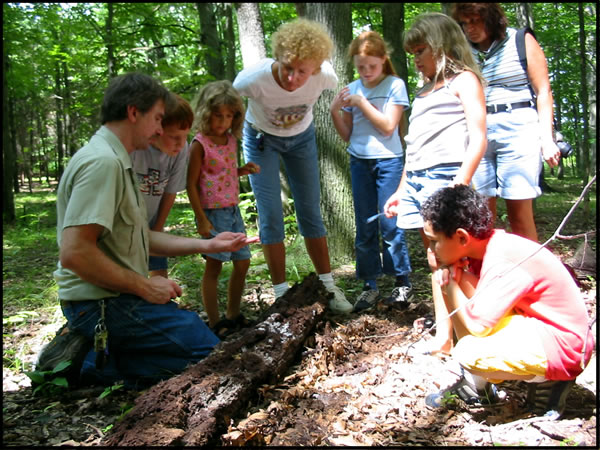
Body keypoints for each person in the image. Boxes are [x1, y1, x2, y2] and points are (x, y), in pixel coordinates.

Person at [36, 73, 258, 389]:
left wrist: (206, 245)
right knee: (211, 355)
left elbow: (142, 236)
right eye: (156, 118)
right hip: (100, 303)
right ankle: (84, 365)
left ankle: (93, 357)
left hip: (116, 297)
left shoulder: (116, 160)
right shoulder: (103, 164)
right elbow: (75, 253)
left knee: (200, 341)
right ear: (133, 113)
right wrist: (144, 286)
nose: (158, 128)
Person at [419, 184, 594, 420]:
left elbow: (478, 326)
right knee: (446, 278)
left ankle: (550, 380)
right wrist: (450, 280)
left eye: (434, 241)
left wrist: (450, 285)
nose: (430, 250)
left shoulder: (503, 258)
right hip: (537, 328)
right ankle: (476, 385)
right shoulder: (487, 248)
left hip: (565, 346)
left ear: (461, 237)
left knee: (469, 352)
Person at [233, 18, 353, 314]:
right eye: (288, 68)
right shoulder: (252, 80)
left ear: (316, 67)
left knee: (310, 209)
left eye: (303, 71)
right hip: (262, 141)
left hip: (301, 139)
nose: (293, 78)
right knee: (271, 212)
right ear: (278, 58)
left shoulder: (325, 76)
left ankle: (327, 285)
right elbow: (231, 107)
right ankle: (281, 294)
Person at [382, 12, 487, 349]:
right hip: (416, 181)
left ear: (441, 47)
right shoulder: (424, 91)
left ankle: (470, 333)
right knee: (432, 259)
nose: (415, 61)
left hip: (446, 176)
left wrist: (462, 179)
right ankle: (445, 335)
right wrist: (401, 189)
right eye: (412, 53)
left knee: (453, 258)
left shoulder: (464, 81)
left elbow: (479, 136)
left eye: (420, 51)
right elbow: (412, 147)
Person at [451, 3, 562, 242]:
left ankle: (531, 275)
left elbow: (543, 91)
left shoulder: (520, 40)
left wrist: (547, 139)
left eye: (476, 20)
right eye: (465, 23)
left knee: (519, 213)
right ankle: (488, 274)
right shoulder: (461, 51)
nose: (470, 28)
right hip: (476, 132)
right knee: (480, 214)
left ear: (490, 18)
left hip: (519, 128)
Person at [330, 31, 413, 312]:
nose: (366, 72)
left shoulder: (395, 85)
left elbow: (389, 126)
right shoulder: (352, 88)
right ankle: (370, 286)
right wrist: (334, 111)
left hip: (388, 161)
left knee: (390, 224)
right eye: (360, 67)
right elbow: (347, 135)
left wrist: (362, 103)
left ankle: (402, 282)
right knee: (365, 226)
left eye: (372, 66)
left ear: (383, 61)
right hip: (359, 162)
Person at [187, 80, 260, 338]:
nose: (223, 121)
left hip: (232, 210)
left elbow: (222, 173)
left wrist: (242, 170)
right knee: (214, 267)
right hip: (212, 213)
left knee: (243, 262)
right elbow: (192, 183)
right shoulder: (199, 143)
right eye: (218, 115)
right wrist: (201, 218)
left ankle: (233, 313)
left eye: (229, 116)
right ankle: (215, 321)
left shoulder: (230, 140)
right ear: (207, 113)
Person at [131, 94, 193, 278]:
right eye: (174, 137)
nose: (181, 144)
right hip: (126, 225)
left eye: (185, 136)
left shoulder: (181, 151)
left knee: (158, 272)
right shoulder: (134, 149)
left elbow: (170, 192)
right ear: (156, 130)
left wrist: (156, 229)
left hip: (152, 220)